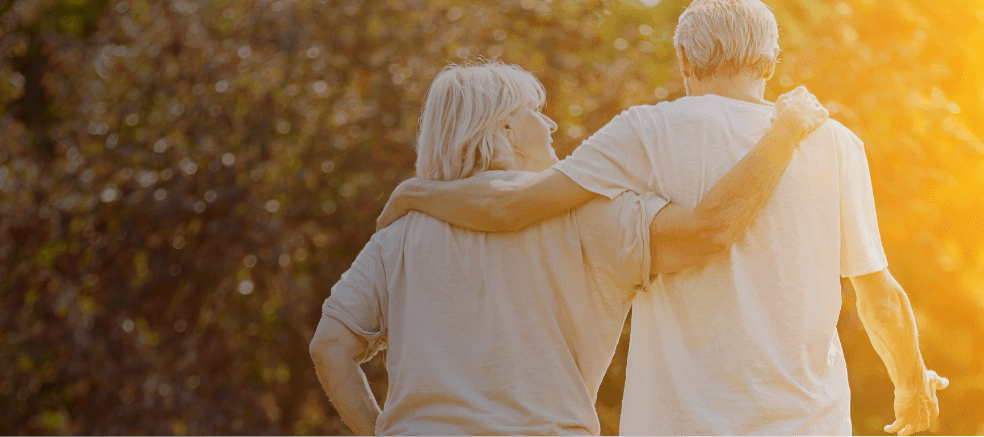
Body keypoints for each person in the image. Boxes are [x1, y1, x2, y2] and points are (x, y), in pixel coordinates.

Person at [374, 0, 947, 436]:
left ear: (683, 60)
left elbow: (513, 207)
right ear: (771, 59)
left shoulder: (644, 132)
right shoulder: (835, 142)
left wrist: (414, 194)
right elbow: (880, 297)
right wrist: (910, 382)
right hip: (807, 424)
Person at [310, 59, 827, 435]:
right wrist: (784, 132)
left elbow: (329, 346)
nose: (551, 124)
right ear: (507, 129)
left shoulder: (399, 232)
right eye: (537, 111)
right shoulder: (590, 217)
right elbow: (707, 231)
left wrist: (380, 430)